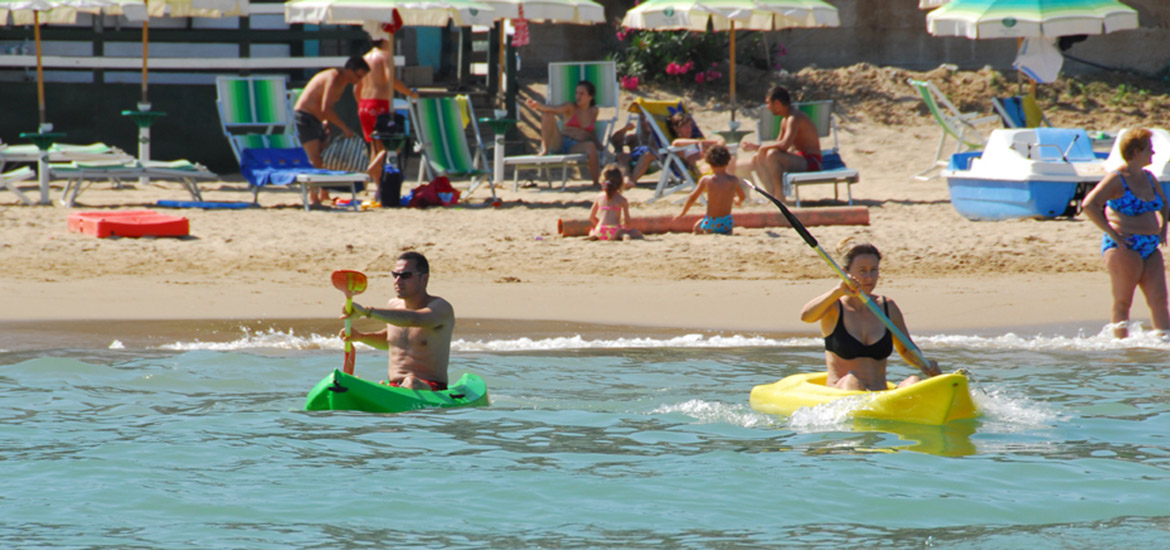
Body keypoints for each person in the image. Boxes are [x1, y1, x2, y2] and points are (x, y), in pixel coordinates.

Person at [799, 241, 941, 391]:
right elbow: (806, 316)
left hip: (878, 392)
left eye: (874, 270)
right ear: (846, 273)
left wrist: (924, 364)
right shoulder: (834, 306)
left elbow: (906, 349)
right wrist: (837, 292)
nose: (869, 277)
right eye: (862, 270)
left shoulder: (886, 307)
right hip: (842, 392)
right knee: (852, 379)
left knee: (914, 381)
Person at [1081, 128, 1170, 339]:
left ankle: (1164, 343)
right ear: (1136, 151)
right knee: (1123, 300)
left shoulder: (1149, 177)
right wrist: (1112, 233)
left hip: (1150, 245)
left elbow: (1164, 204)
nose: (1153, 153)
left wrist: (1163, 228)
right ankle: (1120, 348)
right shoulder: (1116, 178)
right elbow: (1089, 205)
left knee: (1159, 299)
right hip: (1124, 245)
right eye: (1149, 149)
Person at [338, 251, 455, 390]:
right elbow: (391, 340)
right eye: (395, 275)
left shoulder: (440, 308)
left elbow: (415, 319)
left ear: (424, 278)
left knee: (411, 382)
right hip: (395, 386)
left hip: (430, 387)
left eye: (405, 276)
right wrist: (361, 337)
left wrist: (367, 312)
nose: (398, 281)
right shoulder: (393, 305)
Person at [293, 56, 371, 206]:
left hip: (317, 120)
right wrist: (345, 128)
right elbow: (325, 108)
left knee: (325, 158)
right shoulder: (333, 76)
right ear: (349, 70)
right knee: (315, 159)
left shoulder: (343, 82)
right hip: (305, 118)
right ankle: (313, 197)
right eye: (358, 76)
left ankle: (324, 193)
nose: (359, 80)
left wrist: (326, 124)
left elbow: (326, 109)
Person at [741, 85, 822, 202]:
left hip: (812, 161)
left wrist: (762, 147)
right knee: (757, 158)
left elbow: (784, 146)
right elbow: (778, 144)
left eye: (769, 103)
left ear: (777, 103)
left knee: (773, 155)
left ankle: (779, 197)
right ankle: (774, 197)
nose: (767, 107)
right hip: (799, 158)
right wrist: (755, 147)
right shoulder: (785, 119)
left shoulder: (794, 118)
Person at [354, 37, 419, 183]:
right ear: (384, 40)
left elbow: (356, 87)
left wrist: (361, 104)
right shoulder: (385, 56)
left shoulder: (365, 58)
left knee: (374, 147)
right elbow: (391, 80)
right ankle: (371, 170)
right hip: (379, 103)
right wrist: (409, 93)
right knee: (393, 143)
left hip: (364, 104)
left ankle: (378, 190)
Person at [525, 80, 601, 187]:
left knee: (591, 147)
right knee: (547, 115)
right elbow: (554, 108)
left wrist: (599, 145)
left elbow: (591, 131)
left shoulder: (594, 111)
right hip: (560, 141)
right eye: (576, 93)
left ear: (590, 96)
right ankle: (545, 149)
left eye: (582, 93)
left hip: (576, 146)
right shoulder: (570, 107)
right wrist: (538, 106)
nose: (578, 96)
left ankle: (596, 183)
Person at [623, 110, 724, 189]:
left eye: (690, 125)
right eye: (685, 126)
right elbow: (676, 144)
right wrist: (703, 143)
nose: (689, 129)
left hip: (715, 165)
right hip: (703, 170)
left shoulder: (698, 140)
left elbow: (720, 143)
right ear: (676, 129)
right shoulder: (678, 143)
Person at [674, 145, 744, 234]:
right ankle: (727, 231)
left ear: (709, 163)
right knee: (726, 224)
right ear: (728, 161)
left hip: (711, 222)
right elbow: (742, 196)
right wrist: (738, 201)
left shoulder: (706, 180)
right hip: (727, 223)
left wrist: (683, 213)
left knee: (697, 226)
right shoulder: (733, 180)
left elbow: (693, 197)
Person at [587, 164, 643, 241]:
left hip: (600, 229)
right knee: (636, 232)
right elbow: (627, 221)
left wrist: (600, 226)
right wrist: (625, 227)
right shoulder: (622, 200)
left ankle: (593, 235)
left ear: (603, 181)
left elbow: (591, 217)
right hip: (615, 229)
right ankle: (622, 235)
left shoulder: (598, 197)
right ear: (620, 182)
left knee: (592, 230)